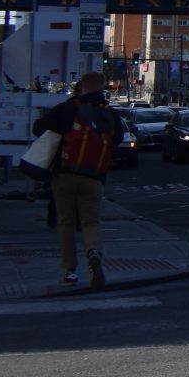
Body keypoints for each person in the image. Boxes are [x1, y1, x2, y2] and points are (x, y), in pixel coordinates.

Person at [32, 71, 122, 290]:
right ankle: (93, 253)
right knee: (91, 222)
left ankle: (70, 271)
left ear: (82, 87)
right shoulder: (110, 114)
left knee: (66, 222)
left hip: (64, 175)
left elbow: (39, 130)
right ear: (103, 88)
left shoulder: (69, 108)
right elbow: (117, 140)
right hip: (94, 178)